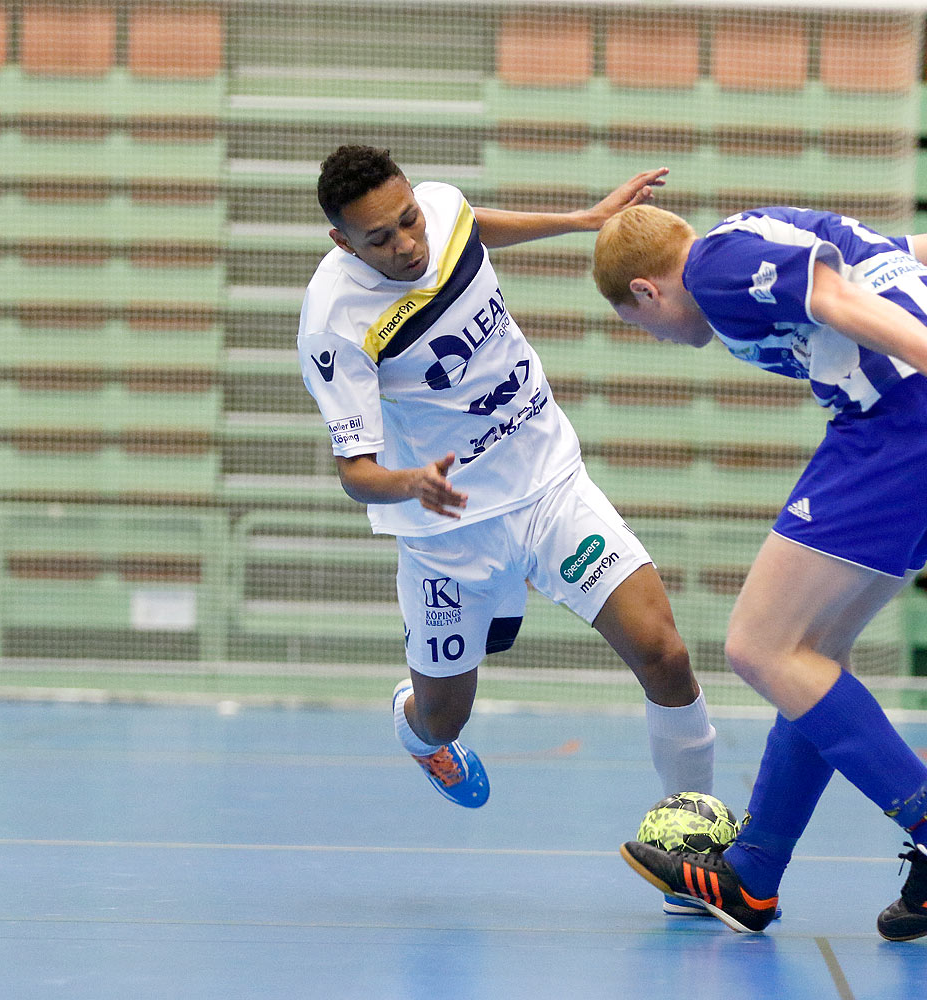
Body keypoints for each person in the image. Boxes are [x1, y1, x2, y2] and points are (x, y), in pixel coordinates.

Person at [595, 203, 927, 940]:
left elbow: (833, 300)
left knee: (758, 648)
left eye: (639, 323)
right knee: (807, 662)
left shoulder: (711, 268)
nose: (657, 335)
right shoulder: (785, 232)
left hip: (908, 421)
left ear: (646, 294)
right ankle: (753, 876)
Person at [298, 146, 720, 914]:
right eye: (380, 240)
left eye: (408, 221)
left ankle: (693, 841)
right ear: (342, 245)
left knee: (664, 652)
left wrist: (583, 220)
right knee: (445, 716)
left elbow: (472, 225)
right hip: (446, 532)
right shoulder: (334, 324)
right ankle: (415, 728)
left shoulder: (441, 210)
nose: (408, 245)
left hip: (548, 483)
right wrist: (411, 482)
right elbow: (354, 468)